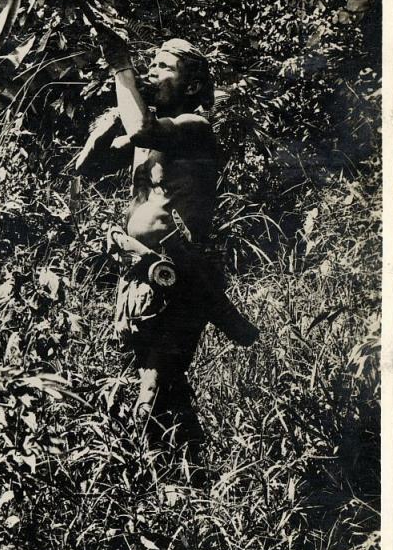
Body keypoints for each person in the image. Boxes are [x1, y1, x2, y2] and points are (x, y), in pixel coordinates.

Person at [75, 30, 258, 461]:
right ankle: (197, 472)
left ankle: (143, 480)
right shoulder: (150, 137)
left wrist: (121, 66)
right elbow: (86, 168)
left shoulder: (194, 126)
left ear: (191, 86)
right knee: (162, 386)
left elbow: (142, 127)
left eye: (163, 67)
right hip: (141, 275)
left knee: (151, 394)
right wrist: (102, 132)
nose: (151, 73)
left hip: (179, 281)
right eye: (149, 66)